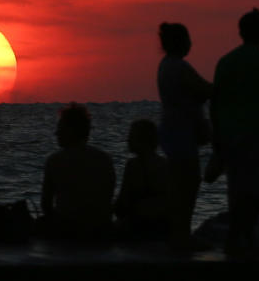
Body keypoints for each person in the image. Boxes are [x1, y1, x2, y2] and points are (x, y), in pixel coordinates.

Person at [211, 8, 259, 256]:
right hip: (254, 133)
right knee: (252, 189)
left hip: (229, 134)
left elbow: (214, 103)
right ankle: (245, 236)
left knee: (235, 187)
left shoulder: (226, 62)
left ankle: (236, 237)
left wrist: (216, 139)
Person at [156, 23, 213, 248]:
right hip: (181, 132)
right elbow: (205, 90)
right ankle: (181, 235)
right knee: (187, 183)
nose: (191, 43)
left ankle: (179, 233)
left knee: (181, 182)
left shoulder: (166, 65)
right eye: (188, 39)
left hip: (174, 130)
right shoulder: (179, 67)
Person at [41, 103, 117, 241]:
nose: (56, 133)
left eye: (60, 128)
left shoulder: (55, 161)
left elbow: (46, 204)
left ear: (70, 131)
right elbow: (109, 196)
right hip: (101, 230)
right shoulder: (105, 159)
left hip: (68, 230)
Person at [114, 119, 171, 240]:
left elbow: (122, 204)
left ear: (140, 140)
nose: (128, 140)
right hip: (165, 226)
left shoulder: (134, 165)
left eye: (131, 136)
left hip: (141, 226)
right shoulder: (166, 164)